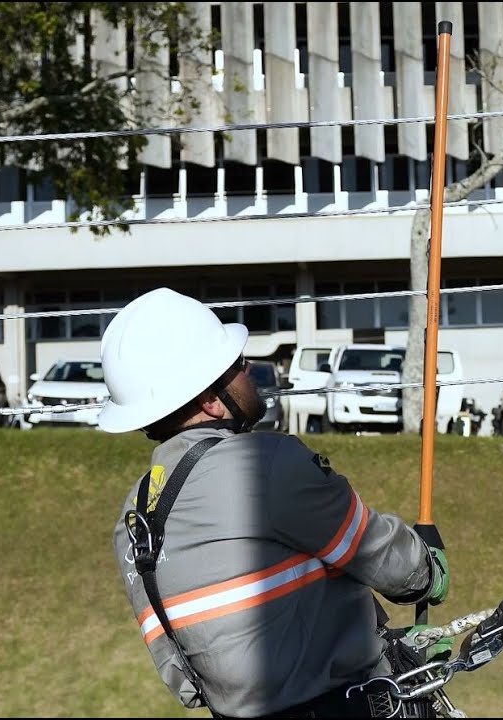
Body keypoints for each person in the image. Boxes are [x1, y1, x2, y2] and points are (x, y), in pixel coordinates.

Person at [100, 287, 450, 718]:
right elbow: (395, 568)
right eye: (238, 365)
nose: (249, 371)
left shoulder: (134, 522)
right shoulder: (264, 465)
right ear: (211, 400)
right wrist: (428, 570)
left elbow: (185, 681)